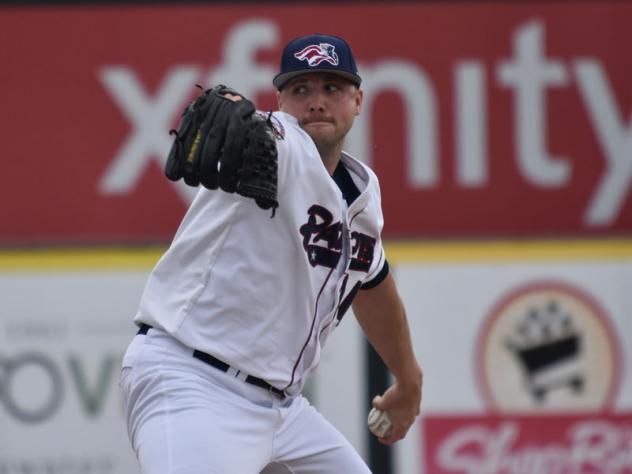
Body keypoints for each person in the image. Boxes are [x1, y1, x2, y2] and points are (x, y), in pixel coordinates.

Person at [120, 33, 422, 474]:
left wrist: (409, 379)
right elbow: (262, 132)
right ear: (280, 100)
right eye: (301, 90)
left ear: (358, 100)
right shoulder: (279, 143)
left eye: (332, 89)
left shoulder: (363, 194)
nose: (316, 102)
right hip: (192, 385)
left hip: (283, 409)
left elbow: (372, 284)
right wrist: (243, 114)